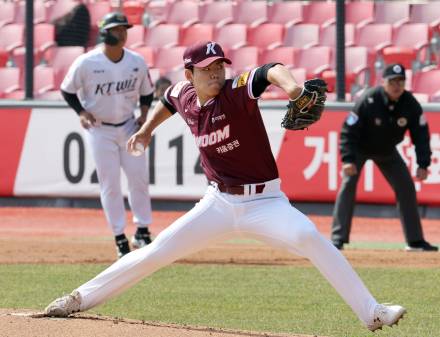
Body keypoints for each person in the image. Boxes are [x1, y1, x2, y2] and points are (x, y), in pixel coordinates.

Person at [45, 41, 406, 332]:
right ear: (190, 74)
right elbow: (167, 100)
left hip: (265, 201)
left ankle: (372, 312)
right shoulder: (184, 95)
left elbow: (271, 69)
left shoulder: (235, 92)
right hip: (217, 203)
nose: (217, 73)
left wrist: (293, 88)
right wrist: (145, 130)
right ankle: (78, 298)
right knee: (154, 253)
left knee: (309, 237)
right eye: (208, 68)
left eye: (220, 65)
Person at [60, 12, 155, 258]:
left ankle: (143, 230)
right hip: (99, 129)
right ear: (104, 32)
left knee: (139, 178)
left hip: (128, 126)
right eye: (116, 29)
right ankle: (119, 236)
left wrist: (144, 114)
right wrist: (81, 112)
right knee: (110, 184)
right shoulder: (87, 62)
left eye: (124, 29)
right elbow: (67, 90)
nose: (122, 33)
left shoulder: (136, 61)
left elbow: (147, 92)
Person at [331, 63, 437, 252]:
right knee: (348, 185)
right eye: (392, 81)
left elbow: (421, 135)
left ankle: (415, 241)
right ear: (384, 82)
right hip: (360, 148)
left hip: (387, 150)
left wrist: (423, 164)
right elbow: (348, 130)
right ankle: (337, 239)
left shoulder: (410, 103)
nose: (397, 86)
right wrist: (347, 159)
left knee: (406, 187)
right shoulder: (369, 99)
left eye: (401, 81)